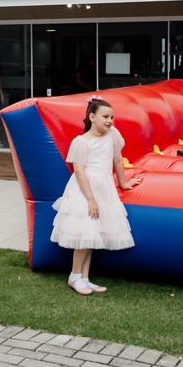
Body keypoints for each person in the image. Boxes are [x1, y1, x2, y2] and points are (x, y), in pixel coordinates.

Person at [50, 97, 138, 295]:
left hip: (104, 188)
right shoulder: (81, 142)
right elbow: (79, 171)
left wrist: (123, 183)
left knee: (92, 236)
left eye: (112, 117)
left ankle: (84, 278)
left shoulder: (112, 136)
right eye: (105, 117)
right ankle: (74, 276)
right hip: (85, 189)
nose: (110, 121)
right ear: (92, 117)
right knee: (85, 233)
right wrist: (90, 199)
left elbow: (118, 159)